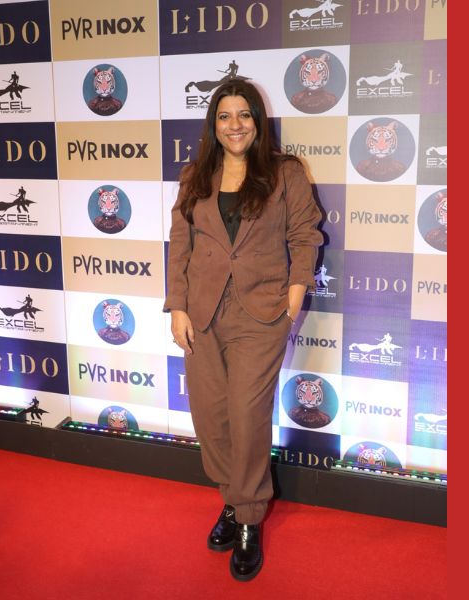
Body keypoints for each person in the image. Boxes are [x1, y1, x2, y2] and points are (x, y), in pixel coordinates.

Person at [163, 80, 323, 582]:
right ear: (213, 124)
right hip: (202, 314)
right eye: (224, 116)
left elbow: (305, 235)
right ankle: (231, 501)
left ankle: (249, 517)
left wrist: (293, 298)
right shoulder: (195, 175)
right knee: (211, 418)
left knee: (247, 416)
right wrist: (177, 307)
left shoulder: (285, 173)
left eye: (244, 115)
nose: (235, 125)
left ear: (258, 120)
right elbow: (180, 244)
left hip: (260, 314)